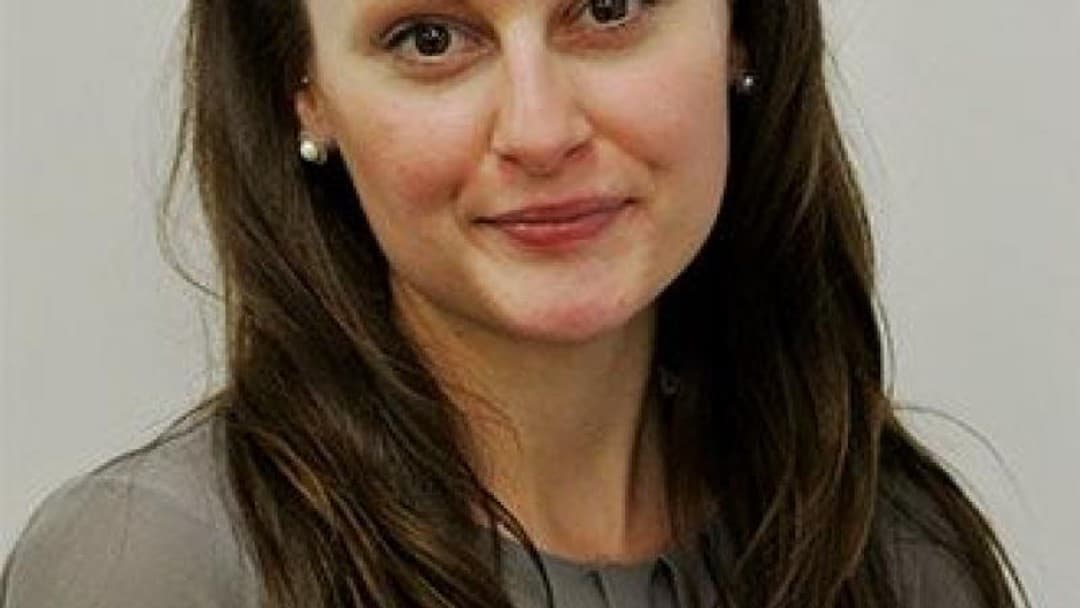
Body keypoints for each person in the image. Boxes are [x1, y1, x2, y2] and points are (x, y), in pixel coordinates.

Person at [1, 0, 1028, 606]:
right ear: (303, 91)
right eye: (429, 38)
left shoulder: (895, 552)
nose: (539, 131)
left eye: (609, 6)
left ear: (741, 31)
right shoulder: (154, 568)